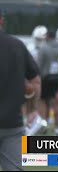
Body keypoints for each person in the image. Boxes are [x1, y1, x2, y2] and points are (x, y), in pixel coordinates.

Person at [0, 12, 41, 170]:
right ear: (2, 20)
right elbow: (35, 81)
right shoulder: (17, 45)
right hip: (13, 124)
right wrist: (32, 110)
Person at [37, 29, 58, 133]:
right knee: (56, 104)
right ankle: (57, 128)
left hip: (46, 78)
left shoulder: (44, 47)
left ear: (48, 36)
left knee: (43, 102)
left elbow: (39, 64)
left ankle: (44, 125)